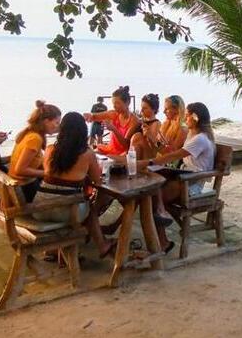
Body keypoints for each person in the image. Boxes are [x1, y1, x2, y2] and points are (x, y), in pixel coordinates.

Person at [33, 112, 116, 258]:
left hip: (40, 209)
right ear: (82, 131)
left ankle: (55, 248)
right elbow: (97, 181)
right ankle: (102, 245)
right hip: (66, 212)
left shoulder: (50, 149)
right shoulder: (87, 153)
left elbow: (52, 174)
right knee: (90, 210)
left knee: (80, 203)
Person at [145, 102, 215, 253]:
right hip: (185, 177)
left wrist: (150, 162)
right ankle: (161, 218)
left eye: (188, 115)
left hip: (191, 183)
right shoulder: (192, 134)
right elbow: (171, 152)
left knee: (150, 199)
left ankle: (162, 240)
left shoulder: (200, 139)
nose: (185, 118)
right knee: (152, 190)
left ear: (196, 118)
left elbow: (175, 155)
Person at [9, 101, 62, 202]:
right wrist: (48, 173)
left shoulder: (30, 132)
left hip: (20, 185)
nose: (57, 126)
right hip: (24, 188)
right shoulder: (35, 138)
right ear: (46, 121)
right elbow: (19, 170)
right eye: (57, 122)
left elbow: (57, 129)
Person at [83, 86, 139, 156]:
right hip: (110, 149)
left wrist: (113, 129)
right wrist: (89, 116)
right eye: (113, 103)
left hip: (123, 154)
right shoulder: (113, 113)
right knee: (89, 154)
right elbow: (94, 116)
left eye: (117, 103)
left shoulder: (134, 121)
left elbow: (126, 145)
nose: (114, 106)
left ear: (127, 103)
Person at [130, 93, 161, 160]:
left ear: (154, 109)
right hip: (136, 154)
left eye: (145, 108)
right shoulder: (141, 122)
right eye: (141, 107)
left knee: (137, 136)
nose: (141, 110)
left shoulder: (156, 123)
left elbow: (154, 149)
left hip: (148, 158)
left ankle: (131, 162)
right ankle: (130, 161)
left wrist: (148, 135)